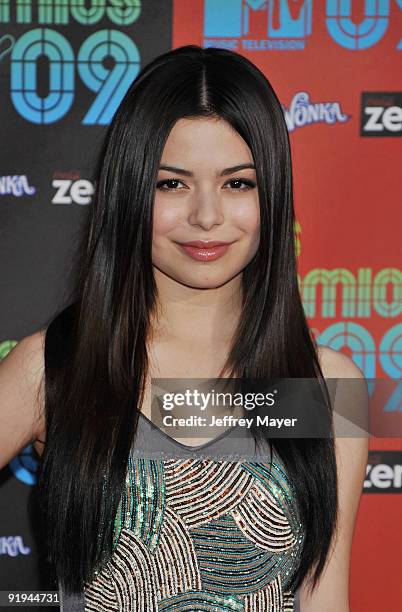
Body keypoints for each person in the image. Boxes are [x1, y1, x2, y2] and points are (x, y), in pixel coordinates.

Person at [0, 45, 369, 611]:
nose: (205, 215)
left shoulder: (323, 388)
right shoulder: (56, 367)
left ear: (272, 193)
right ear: (130, 192)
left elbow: (325, 597)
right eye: (171, 184)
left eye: (237, 183)